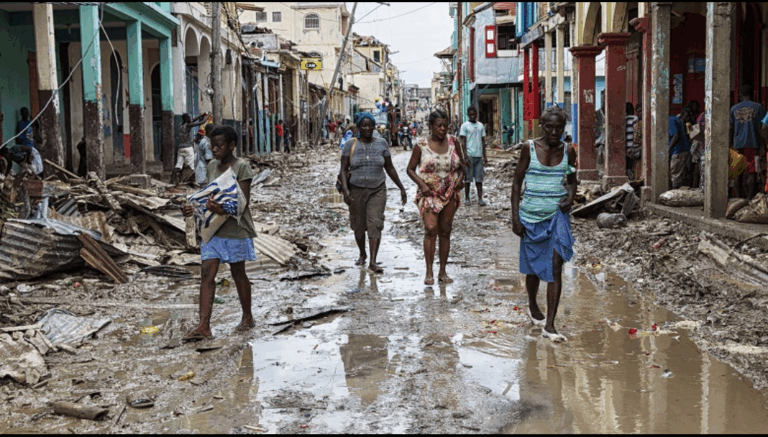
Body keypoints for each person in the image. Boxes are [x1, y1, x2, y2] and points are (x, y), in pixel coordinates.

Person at [181, 125, 257, 340]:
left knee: (238, 273)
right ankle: (204, 326)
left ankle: (247, 317)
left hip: (235, 229)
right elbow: (208, 194)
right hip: (213, 228)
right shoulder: (213, 165)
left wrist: (222, 209)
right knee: (207, 274)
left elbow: (242, 202)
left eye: (219, 146)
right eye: (212, 146)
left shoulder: (242, 167)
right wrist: (193, 207)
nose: (214, 150)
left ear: (232, 145)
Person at [511, 105, 576, 343]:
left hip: (556, 219)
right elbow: (517, 183)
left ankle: (550, 324)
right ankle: (531, 303)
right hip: (530, 218)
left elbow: (571, 179)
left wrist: (570, 197)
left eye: (559, 127)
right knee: (532, 269)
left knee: (555, 267)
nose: (554, 131)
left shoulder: (569, 150)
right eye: (549, 127)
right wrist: (515, 217)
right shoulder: (529, 149)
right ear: (542, 126)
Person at [340, 112, 407, 274]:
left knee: (375, 223)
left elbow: (389, 167)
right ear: (358, 127)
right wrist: (346, 191)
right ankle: (362, 253)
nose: (368, 128)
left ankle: (372, 261)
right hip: (355, 190)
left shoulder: (382, 144)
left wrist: (401, 187)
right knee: (358, 226)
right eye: (364, 125)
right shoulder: (350, 144)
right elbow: (342, 170)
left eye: (371, 125)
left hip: (377, 189)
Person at [406, 110, 466, 285]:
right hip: (429, 193)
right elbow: (410, 169)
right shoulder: (421, 145)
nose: (442, 129)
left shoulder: (454, 142)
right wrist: (422, 185)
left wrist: (460, 181)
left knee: (445, 231)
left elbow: (462, 167)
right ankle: (429, 271)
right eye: (438, 126)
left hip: (449, 193)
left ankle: (443, 271)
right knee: (431, 229)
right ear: (431, 126)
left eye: (445, 126)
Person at [730, 84, 765, 199]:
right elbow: (762, 128)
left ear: (740, 95)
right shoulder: (758, 107)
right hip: (752, 144)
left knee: (737, 174)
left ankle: (738, 199)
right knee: (752, 172)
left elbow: (730, 128)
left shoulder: (734, 109)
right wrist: (761, 145)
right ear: (752, 94)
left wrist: (731, 144)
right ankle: (749, 199)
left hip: (737, 144)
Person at [459, 106, 488, 206]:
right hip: (469, 156)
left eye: (474, 114)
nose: (472, 116)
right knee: (468, 179)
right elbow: (462, 142)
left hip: (479, 156)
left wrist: (485, 156)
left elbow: (483, 142)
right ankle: (467, 199)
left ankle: (480, 199)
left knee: (479, 180)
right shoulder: (464, 126)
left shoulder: (480, 126)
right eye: (470, 114)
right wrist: (465, 157)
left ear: (476, 114)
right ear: (468, 115)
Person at [174, 113, 208, 184]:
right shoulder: (188, 125)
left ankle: (175, 179)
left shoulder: (181, 125)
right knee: (190, 167)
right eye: (189, 117)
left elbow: (192, 120)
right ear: (187, 119)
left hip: (180, 149)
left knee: (178, 165)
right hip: (188, 148)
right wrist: (208, 116)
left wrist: (200, 116)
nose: (190, 119)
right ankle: (188, 181)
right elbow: (202, 122)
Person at [669, 107, 692, 189]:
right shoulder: (676, 119)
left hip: (679, 151)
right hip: (684, 149)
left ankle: (675, 196)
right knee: (683, 175)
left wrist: (668, 149)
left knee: (675, 175)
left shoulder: (671, 120)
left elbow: (676, 136)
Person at [625, 102, 639, 180]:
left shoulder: (623, 120)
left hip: (625, 146)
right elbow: (636, 134)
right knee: (633, 164)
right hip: (633, 146)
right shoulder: (634, 119)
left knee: (628, 165)